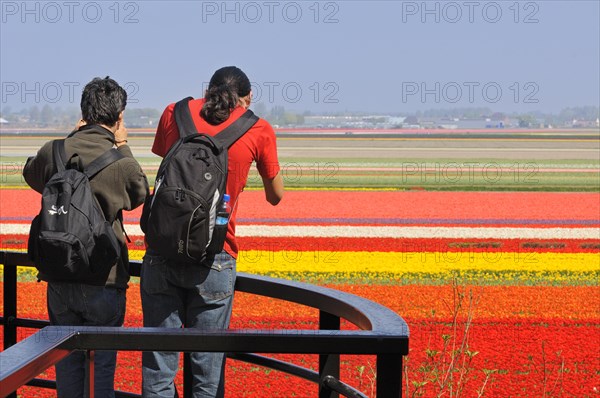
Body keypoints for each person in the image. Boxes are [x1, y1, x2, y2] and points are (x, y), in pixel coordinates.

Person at [141, 66, 284, 397]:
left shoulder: (173, 113)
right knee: (207, 371)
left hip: (161, 250)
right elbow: (275, 197)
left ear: (209, 90)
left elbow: (170, 164)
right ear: (245, 99)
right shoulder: (258, 128)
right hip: (215, 256)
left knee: (158, 367)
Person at [23, 76, 149, 397]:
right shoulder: (121, 162)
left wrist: (69, 139)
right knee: (101, 369)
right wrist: (123, 145)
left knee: (66, 363)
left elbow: (31, 174)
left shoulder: (54, 150)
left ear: (83, 112)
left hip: (60, 272)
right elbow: (139, 193)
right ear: (119, 117)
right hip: (104, 277)